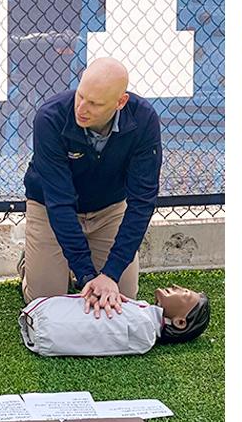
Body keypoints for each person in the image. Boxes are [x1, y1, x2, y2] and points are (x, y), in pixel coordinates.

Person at [21, 58, 162, 315]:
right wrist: (87, 276)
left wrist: (111, 273)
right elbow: (59, 202)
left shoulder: (144, 120)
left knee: (124, 296)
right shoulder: (49, 118)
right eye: (81, 95)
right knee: (45, 302)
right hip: (50, 207)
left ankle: (78, 264)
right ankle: (30, 264)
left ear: (120, 102)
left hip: (108, 208)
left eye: (95, 103)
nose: (82, 108)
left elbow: (142, 201)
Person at [19, 285, 211, 356]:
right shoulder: (143, 318)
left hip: (43, 320)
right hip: (42, 329)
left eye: (184, 294)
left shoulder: (143, 326)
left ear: (179, 322)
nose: (175, 286)